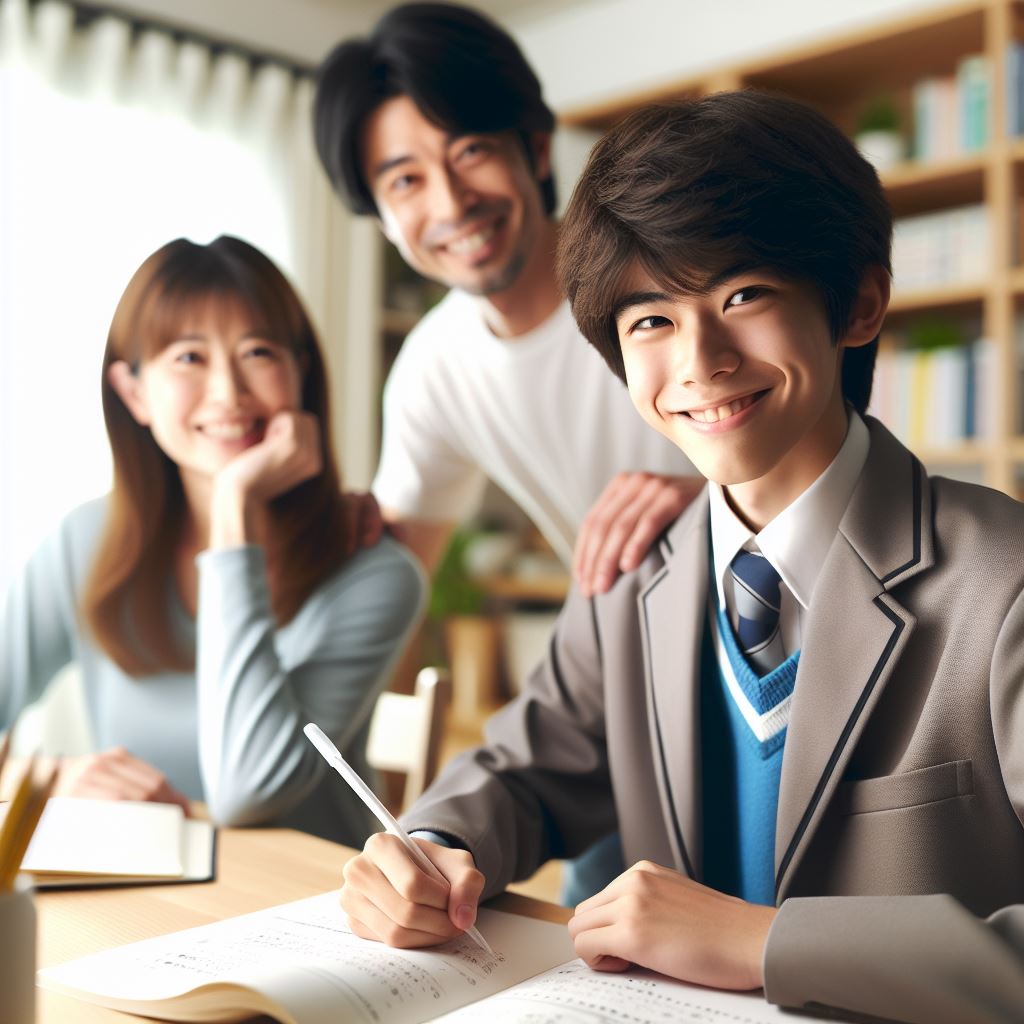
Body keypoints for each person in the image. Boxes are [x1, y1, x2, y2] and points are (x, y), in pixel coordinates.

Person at [335, 92, 1024, 1024]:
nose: (698, 359)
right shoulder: (633, 573)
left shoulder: (1003, 584)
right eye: (651, 319)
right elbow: (526, 769)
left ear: (858, 302)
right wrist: (431, 844)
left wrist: (764, 942)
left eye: (744, 295)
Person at [313, 0, 700, 903]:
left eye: (470, 152)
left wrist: (704, 501)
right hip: (626, 700)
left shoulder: (662, 277)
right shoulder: (435, 367)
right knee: (585, 940)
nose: (449, 204)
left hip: (789, 644)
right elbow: (396, 575)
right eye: (404, 180)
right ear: (377, 208)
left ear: (532, 146)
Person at [0, 236, 425, 847]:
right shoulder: (84, 543)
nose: (227, 392)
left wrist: (234, 509)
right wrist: (50, 779)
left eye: (257, 352)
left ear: (300, 372)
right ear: (133, 392)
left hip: (315, 914)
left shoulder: (375, 573)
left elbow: (248, 790)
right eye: (188, 357)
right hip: (144, 903)